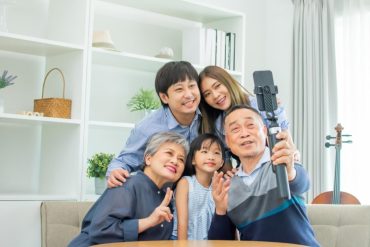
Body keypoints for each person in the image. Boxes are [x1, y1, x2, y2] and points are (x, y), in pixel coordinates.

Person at [208, 105, 319, 246]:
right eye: (235, 129)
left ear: (265, 132)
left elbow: (302, 183)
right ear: (228, 141)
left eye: (250, 125)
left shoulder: (281, 163)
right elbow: (220, 243)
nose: (244, 133)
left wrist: (290, 172)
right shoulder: (229, 186)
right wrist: (220, 210)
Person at [68, 132, 189, 246]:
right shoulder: (126, 184)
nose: (175, 161)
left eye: (181, 159)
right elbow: (101, 231)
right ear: (148, 158)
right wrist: (149, 221)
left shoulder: (165, 198)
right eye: (169, 153)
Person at [106, 61, 201, 188]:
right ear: (164, 97)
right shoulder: (148, 127)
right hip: (161, 195)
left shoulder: (210, 115)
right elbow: (124, 161)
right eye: (179, 89)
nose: (189, 95)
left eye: (192, 86)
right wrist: (115, 171)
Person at [198, 65, 289, 141]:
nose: (215, 95)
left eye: (217, 86)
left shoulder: (260, 105)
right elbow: (226, 159)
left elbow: (288, 143)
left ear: (228, 82)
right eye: (207, 94)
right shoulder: (219, 124)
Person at [171, 133, 225, 240]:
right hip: (182, 240)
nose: (211, 157)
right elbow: (182, 223)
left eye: (216, 153)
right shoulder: (185, 183)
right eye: (204, 151)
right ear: (193, 159)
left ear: (222, 162)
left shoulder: (220, 186)